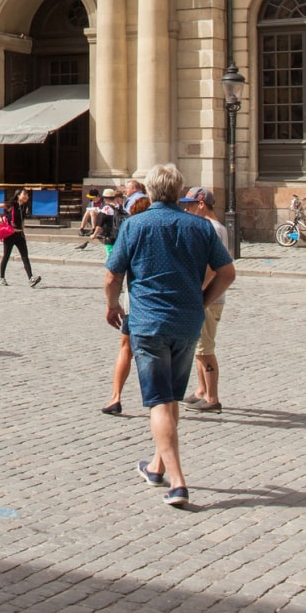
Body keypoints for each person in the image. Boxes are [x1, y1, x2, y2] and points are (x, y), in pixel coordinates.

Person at [105, 162, 235, 508]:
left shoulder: (135, 225)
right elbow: (227, 272)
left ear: (149, 191)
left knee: (159, 401)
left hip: (149, 323)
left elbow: (112, 275)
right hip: (187, 322)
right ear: (179, 192)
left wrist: (112, 305)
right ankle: (155, 466)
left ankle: (177, 483)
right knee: (172, 397)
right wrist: (202, 301)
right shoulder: (200, 226)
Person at [180, 186, 231, 414]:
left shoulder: (210, 227)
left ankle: (212, 397)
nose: (185, 209)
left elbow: (213, 267)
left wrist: (198, 290)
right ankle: (201, 390)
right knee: (199, 347)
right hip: (210, 296)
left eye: (189, 204)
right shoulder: (214, 226)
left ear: (201, 204)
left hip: (209, 296)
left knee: (204, 348)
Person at [101, 189, 150, 414]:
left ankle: (115, 397)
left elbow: (113, 274)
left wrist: (112, 304)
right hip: (166, 306)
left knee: (126, 348)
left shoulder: (131, 230)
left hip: (135, 303)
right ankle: (164, 401)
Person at [0, 188, 41, 288]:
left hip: (20, 235)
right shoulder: (11, 204)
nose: (27, 196)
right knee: (6, 256)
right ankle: (1, 278)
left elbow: (22, 220)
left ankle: (31, 278)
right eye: (25, 194)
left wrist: (23, 229)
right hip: (10, 235)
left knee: (25, 256)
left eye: (27, 195)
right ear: (18, 195)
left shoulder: (25, 207)